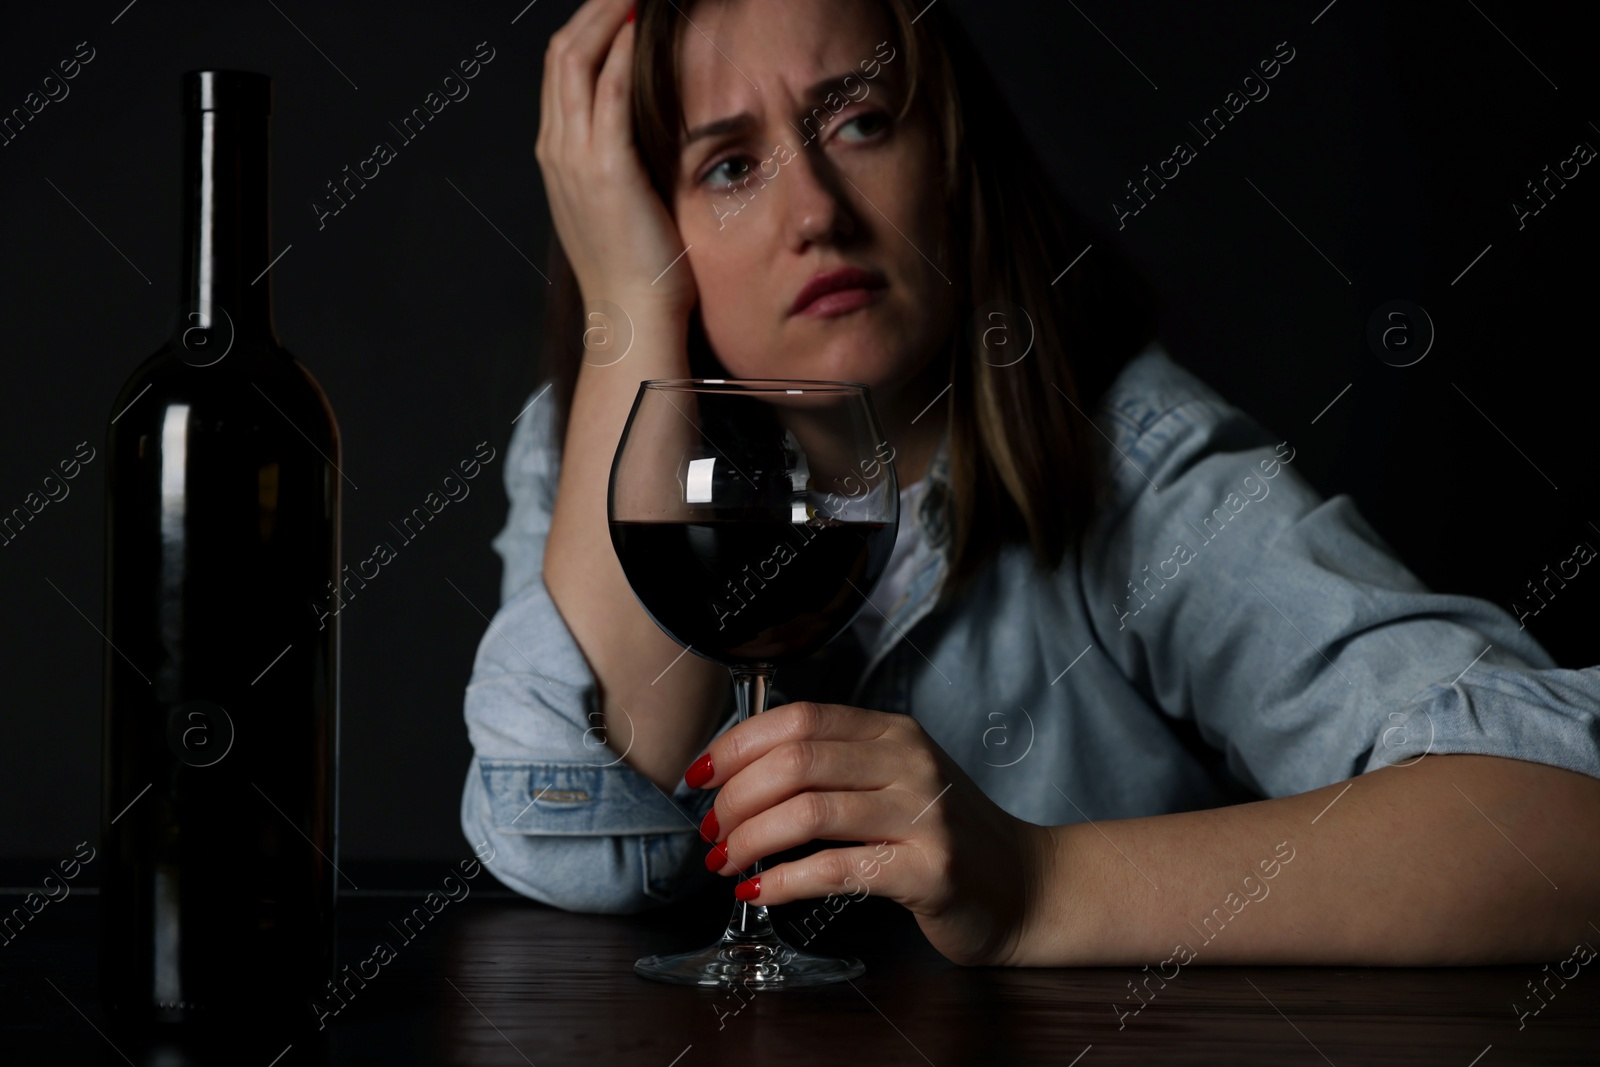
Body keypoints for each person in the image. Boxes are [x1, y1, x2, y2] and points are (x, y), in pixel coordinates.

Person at [459, 0, 1600, 967]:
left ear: (950, 159)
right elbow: (580, 845)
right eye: (727, 165)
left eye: (859, 121)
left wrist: (1039, 882)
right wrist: (626, 316)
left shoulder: (1134, 466)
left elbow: (1566, 821)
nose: (815, 213)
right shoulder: (607, 434)